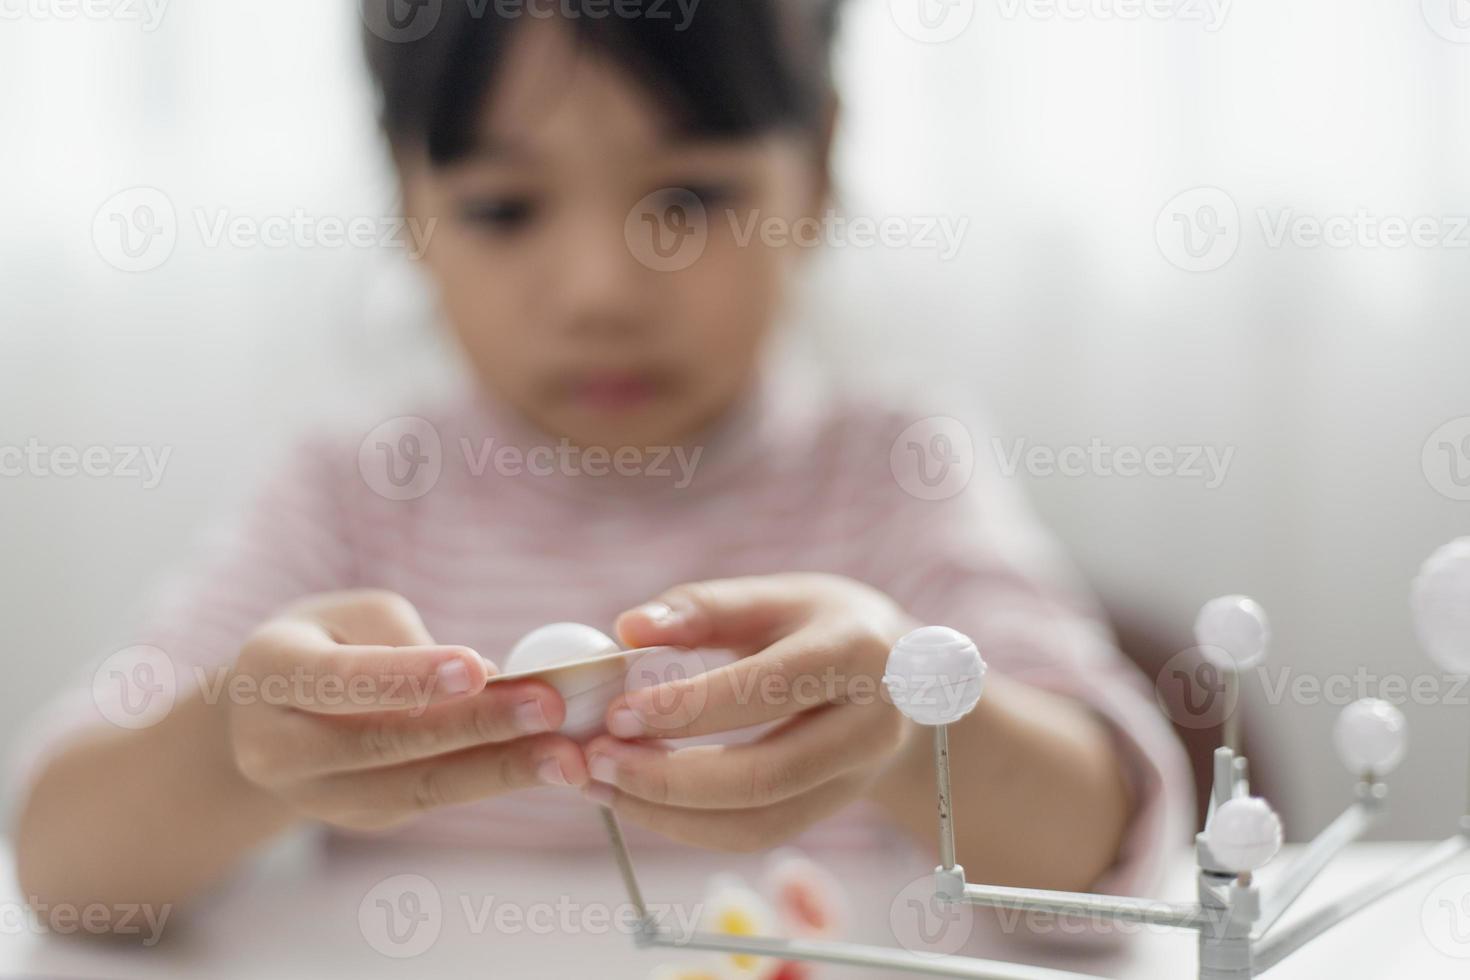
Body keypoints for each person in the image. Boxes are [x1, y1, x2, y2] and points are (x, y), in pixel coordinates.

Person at [12, 0, 1190, 933]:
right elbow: (63, 868)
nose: (601, 291)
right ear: (408, 204)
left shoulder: (888, 472)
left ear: (818, 168)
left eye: (687, 198)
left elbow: (1112, 853)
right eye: (504, 207)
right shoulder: (355, 494)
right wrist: (236, 744)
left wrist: (913, 726)